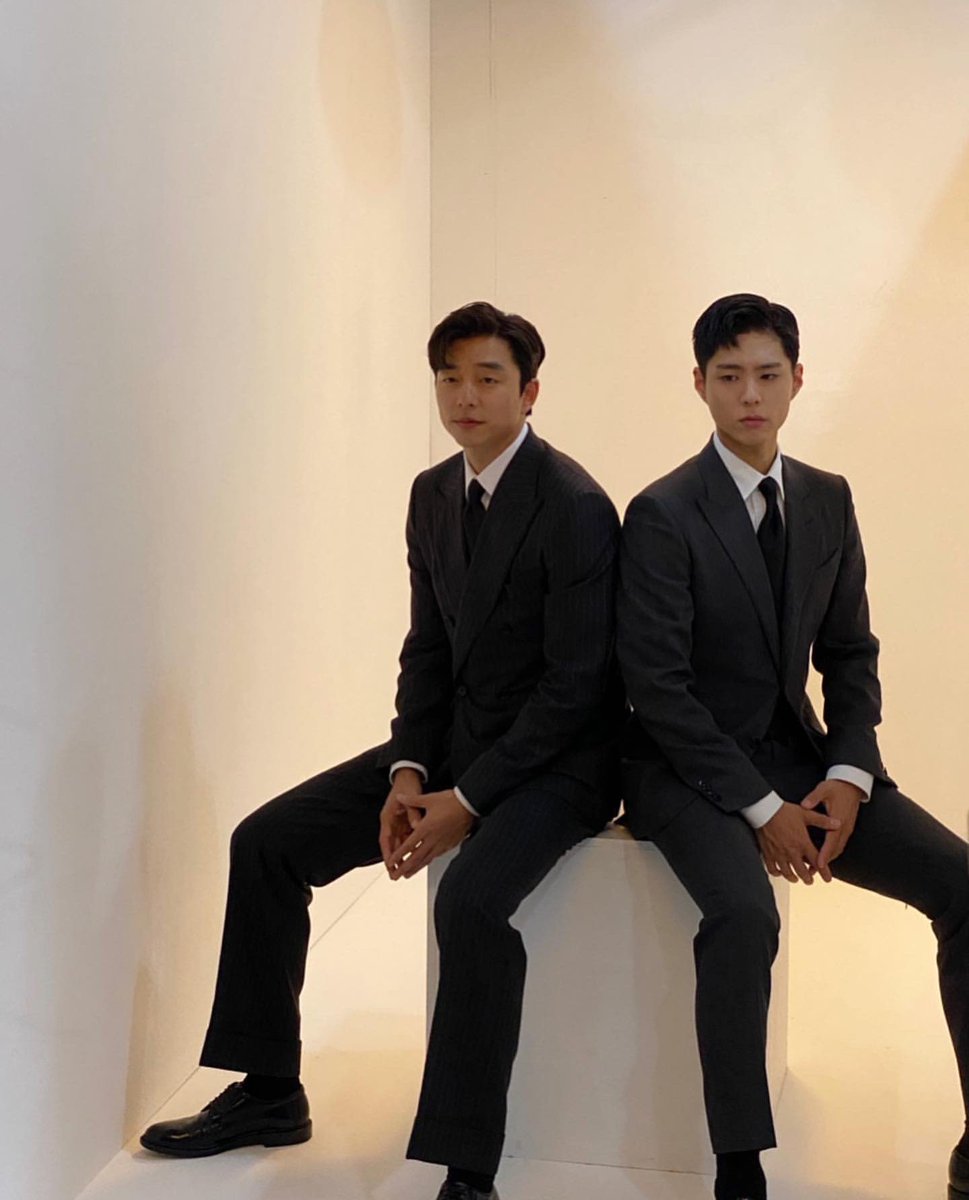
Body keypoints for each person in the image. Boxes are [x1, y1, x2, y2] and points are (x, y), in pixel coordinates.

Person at [140, 301, 623, 1200]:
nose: (465, 396)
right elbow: (427, 650)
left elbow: (576, 686)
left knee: (471, 901)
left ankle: (467, 1167)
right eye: (449, 377)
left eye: (488, 378)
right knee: (268, 841)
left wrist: (465, 802)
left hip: (561, 763)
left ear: (530, 392)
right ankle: (269, 1092)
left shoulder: (575, 506)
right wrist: (407, 769)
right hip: (452, 744)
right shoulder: (432, 494)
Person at [617, 293, 969, 1200]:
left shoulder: (827, 497)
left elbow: (848, 653)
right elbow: (657, 689)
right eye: (728, 376)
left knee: (962, 884)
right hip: (682, 770)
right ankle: (738, 1163)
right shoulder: (661, 512)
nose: (749, 395)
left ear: (797, 380)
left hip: (802, 758)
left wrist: (847, 773)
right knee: (745, 917)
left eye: (767, 375)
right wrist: (761, 808)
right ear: (698, 384)